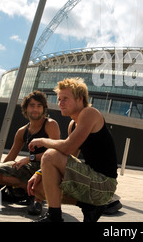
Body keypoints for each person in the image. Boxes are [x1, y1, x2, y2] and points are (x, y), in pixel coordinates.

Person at [27, 77, 118, 222]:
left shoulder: (90, 113)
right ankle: (88, 206)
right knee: (38, 187)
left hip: (104, 184)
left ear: (80, 99)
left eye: (65, 99)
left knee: (50, 155)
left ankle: (54, 218)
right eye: (59, 99)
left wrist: (42, 141)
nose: (60, 103)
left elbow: (67, 147)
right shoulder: (73, 124)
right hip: (90, 181)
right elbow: (69, 155)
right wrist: (40, 172)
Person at [0, 91, 60, 215]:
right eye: (32, 105)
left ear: (43, 109)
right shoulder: (22, 131)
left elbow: (55, 152)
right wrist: (0, 174)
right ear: (26, 108)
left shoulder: (50, 124)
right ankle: (28, 190)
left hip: (47, 167)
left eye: (39, 106)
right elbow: (11, 157)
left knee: (48, 169)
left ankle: (37, 201)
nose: (35, 109)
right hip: (30, 168)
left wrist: (30, 158)